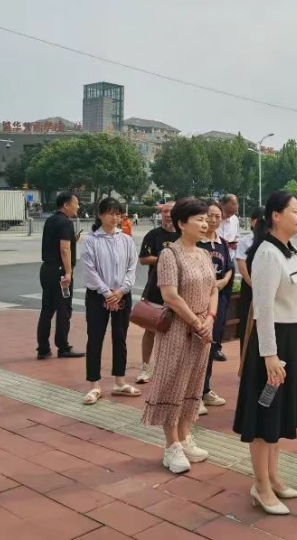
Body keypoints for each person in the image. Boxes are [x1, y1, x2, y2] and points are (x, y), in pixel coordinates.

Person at [233, 191, 297, 515]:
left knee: (278, 414)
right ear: (276, 216)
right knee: (265, 414)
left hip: (293, 335)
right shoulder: (266, 253)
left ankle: (273, 477)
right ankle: (260, 485)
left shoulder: (291, 252)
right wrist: (269, 356)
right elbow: (262, 309)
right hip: (273, 341)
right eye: (294, 210)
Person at [141, 198, 218, 474]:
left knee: (194, 383)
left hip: (202, 330)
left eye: (205, 218)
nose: (205, 223)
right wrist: (197, 323)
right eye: (199, 219)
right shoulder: (170, 255)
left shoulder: (205, 254)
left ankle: (185, 437)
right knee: (172, 382)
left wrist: (209, 319)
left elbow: (214, 289)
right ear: (181, 223)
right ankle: (171, 446)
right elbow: (170, 296)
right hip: (178, 329)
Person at [81, 198, 140, 405]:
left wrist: (121, 291)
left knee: (120, 337)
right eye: (110, 213)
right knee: (95, 338)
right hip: (98, 296)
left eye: (118, 213)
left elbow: (132, 268)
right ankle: (94, 385)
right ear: (100, 215)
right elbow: (90, 271)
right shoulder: (91, 240)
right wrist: (107, 293)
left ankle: (119, 381)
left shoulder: (126, 240)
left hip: (122, 294)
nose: (114, 217)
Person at [36, 192, 85, 359]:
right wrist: (68, 273)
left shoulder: (50, 220)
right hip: (60, 272)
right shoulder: (65, 223)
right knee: (64, 310)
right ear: (66, 205)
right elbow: (64, 249)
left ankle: (43, 348)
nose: (78, 206)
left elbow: (57, 243)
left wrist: (73, 240)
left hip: (47, 269)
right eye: (76, 203)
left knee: (47, 309)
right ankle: (63, 347)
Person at [196, 201, 233, 415]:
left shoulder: (223, 243)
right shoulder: (197, 244)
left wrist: (224, 281)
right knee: (198, 348)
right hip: (199, 302)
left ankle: (205, 389)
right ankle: (194, 395)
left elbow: (229, 268)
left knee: (211, 346)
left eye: (218, 216)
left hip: (218, 301)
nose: (213, 220)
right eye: (210, 215)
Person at [137, 201, 178, 383]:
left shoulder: (184, 234)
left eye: (172, 212)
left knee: (176, 332)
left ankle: (170, 369)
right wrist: (165, 257)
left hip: (179, 291)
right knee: (150, 329)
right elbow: (144, 259)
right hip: (155, 288)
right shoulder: (152, 235)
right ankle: (146, 366)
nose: (168, 215)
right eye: (165, 212)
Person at [236, 207, 265, 348]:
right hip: (249, 288)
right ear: (253, 222)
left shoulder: (271, 241)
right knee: (247, 325)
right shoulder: (246, 241)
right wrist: (253, 285)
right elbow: (242, 266)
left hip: (266, 288)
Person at [218, 194, 240, 258]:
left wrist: (236, 244)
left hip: (230, 256)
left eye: (233, 212)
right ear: (221, 204)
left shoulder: (235, 219)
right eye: (228, 212)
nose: (230, 215)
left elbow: (237, 236)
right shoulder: (212, 219)